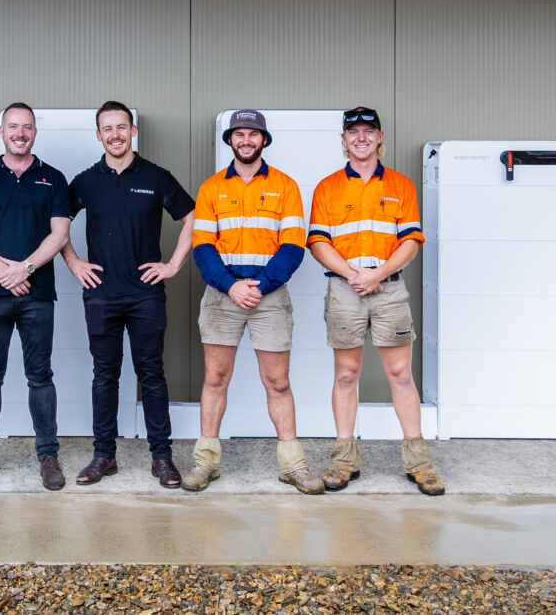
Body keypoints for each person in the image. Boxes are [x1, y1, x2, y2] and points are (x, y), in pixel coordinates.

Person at [307, 106, 445, 496]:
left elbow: (411, 241)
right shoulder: (328, 187)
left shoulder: (400, 185)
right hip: (345, 290)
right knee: (346, 375)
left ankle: (420, 463)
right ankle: (344, 460)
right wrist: (355, 276)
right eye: (354, 132)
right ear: (344, 140)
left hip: (389, 291)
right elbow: (318, 241)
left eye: (369, 131)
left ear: (380, 137)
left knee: (400, 375)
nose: (361, 138)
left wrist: (377, 275)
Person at [185, 109, 323, 494]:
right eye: (239, 134)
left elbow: (293, 246)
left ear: (264, 140)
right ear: (229, 140)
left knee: (277, 382)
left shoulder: (286, 187)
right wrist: (231, 287)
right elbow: (203, 247)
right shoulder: (212, 188)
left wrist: (259, 285)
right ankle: (205, 462)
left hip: (269, 296)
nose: (246, 140)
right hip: (222, 294)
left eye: (253, 134)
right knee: (216, 378)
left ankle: (293, 466)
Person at [62, 101, 195, 488]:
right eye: (107, 129)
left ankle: (162, 458)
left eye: (122, 127)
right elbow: (57, 225)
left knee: (151, 374)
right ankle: (104, 456)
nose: (115, 135)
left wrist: (171, 265)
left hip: (145, 296)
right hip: (101, 294)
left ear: (133, 131)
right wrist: (74, 263)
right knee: (105, 376)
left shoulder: (155, 176)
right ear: (98, 135)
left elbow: (193, 218)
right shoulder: (86, 181)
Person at [0, 102, 71, 491]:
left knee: (40, 377)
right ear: (1, 131)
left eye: (27, 127)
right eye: (13, 126)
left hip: (38, 296)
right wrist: (4, 272)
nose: (20, 133)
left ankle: (48, 456)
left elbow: (59, 234)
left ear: (35, 132)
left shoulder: (53, 178)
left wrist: (24, 269)